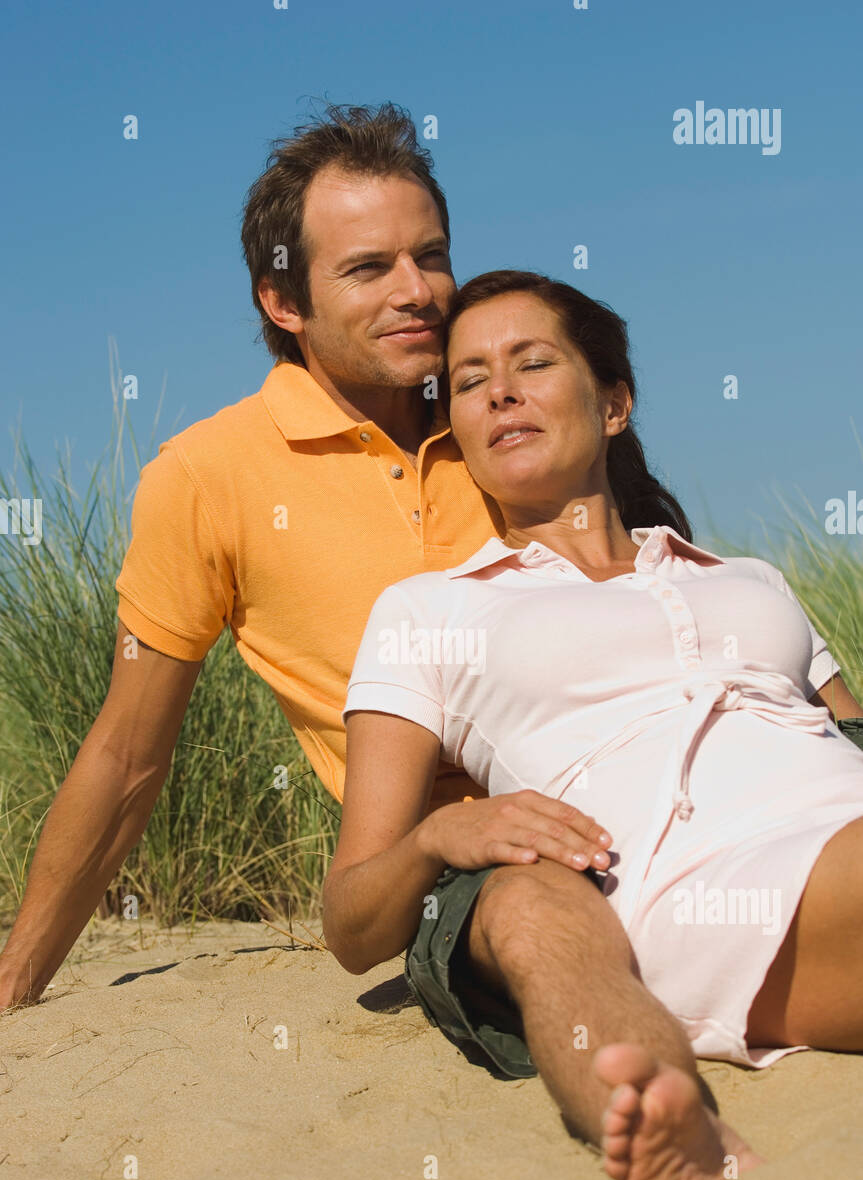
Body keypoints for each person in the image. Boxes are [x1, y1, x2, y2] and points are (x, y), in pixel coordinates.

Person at [0, 104, 615, 1013]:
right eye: (368, 268)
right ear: (283, 301)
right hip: (463, 871)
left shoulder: (514, 413)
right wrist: (15, 985)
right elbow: (128, 755)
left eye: (431, 255)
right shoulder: (208, 476)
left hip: (657, 786)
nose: (418, 291)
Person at [323, 269, 863, 1180]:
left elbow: (848, 729)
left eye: (533, 364)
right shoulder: (429, 612)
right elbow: (351, 921)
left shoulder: (750, 579)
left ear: (613, 404)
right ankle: (663, 1122)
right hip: (682, 880)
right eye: (469, 380)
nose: (500, 391)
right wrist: (435, 837)